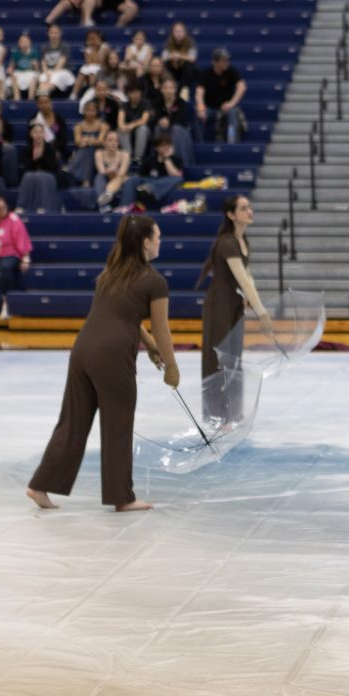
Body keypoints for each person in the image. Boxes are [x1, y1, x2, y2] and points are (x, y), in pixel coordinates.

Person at [27, 215, 178, 513]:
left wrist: (149, 346)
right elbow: (162, 329)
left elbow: (124, 315)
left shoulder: (110, 273)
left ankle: (40, 485)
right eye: (158, 236)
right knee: (117, 425)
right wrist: (171, 366)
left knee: (72, 423)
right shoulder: (154, 281)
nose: (160, 241)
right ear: (145, 243)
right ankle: (122, 497)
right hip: (113, 357)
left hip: (83, 350)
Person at [197, 195, 272, 424]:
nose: (249, 211)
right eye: (243, 208)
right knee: (218, 358)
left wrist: (252, 301)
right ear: (231, 215)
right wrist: (262, 312)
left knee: (234, 358)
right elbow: (243, 281)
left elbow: (248, 278)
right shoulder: (227, 243)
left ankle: (233, 413)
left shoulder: (242, 240)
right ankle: (216, 414)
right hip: (220, 304)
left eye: (249, 207)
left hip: (234, 303)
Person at [195, 48, 246, 144]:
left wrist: (231, 103)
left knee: (233, 112)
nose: (226, 63)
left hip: (225, 108)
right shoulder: (205, 74)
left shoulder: (231, 71)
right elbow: (199, 91)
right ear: (215, 62)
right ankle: (200, 143)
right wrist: (201, 108)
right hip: (210, 108)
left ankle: (232, 142)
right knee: (198, 115)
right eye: (223, 60)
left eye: (227, 60)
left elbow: (242, 87)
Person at [118, 134, 183, 210]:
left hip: (165, 181)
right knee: (133, 179)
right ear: (157, 148)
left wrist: (167, 158)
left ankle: (150, 188)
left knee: (178, 179)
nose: (166, 147)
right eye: (163, 145)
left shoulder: (176, 159)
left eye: (168, 145)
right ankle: (124, 207)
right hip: (150, 180)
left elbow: (174, 175)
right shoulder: (149, 160)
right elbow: (140, 175)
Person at [17, 123, 63, 214]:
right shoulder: (27, 149)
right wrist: (35, 161)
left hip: (49, 176)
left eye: (40, 132)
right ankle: (22, 206)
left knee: (40, 176)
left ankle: (43, 206)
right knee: (27, 176)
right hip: (32, 175)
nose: (38, 135)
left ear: (44, 134)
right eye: (35, 132)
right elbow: (26, 167)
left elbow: (51, 166)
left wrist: (38, 159)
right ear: (31, 134)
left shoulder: (50, 149)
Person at [68, 101, 109, 186]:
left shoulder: (103, 125)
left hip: (99, 152)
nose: (90, 113)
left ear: (97, 111)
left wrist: (87, 140)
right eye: (88, 110)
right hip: (83, 151)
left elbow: (100, 141)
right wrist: (91, 140)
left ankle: (81, 177)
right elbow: (78, 141)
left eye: (93, 110)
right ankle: (85, 179)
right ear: (84, 111)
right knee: (86, 150)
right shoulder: (78, 126)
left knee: (89, 149)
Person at [94, 129, 129, 211]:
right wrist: (110, 171)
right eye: (110, 140)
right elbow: (101, 171)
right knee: (99, 176)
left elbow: (122, 172)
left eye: (116, 141)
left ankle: (107, 196)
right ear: (104, 143)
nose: (113, 143)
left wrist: (112, 171)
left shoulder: (124, 154)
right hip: (104, 178)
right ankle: (104, 202)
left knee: (120, 178)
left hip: (118, 179)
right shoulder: (99, 153)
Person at [37, 24, 76, 98]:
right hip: (48, 71)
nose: (54, 35)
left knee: (54, 78)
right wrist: (47, 73)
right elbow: (43, 63)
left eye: (56, 33)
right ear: (48, 34)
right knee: (42, 77)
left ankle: (41, 94)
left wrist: (51, 74)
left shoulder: (65, 47)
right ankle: (42, 96)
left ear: (60, 34)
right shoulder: (44, 47)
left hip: (63, 71)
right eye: (51, 32)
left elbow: (61, 63)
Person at [117, 80, 151, 161]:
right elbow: (120, 122)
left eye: (137, 92)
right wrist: (123, 127)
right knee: (120, 130)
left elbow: (144, 120)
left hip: (142, 131)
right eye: (132, 92)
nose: (135, 95)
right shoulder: (124, 105)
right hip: (128, 131)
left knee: (142, 128)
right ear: (128, 94)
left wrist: (132, 125)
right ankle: (127, 156)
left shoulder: (146, 103)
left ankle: (137, 157)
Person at [161, 22, 197, 95]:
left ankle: (182, 90)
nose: (178, 34)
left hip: (184, 70)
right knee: (166, 64)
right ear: (172, 33)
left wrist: (180, 56)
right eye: (176, 31)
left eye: (180, 31)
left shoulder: (190, 42)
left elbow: (193, 58)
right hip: (173, 69)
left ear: (184, 32)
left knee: (189, 65)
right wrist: (172, 56)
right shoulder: (168, 42)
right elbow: (163, 58)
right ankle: (170, 87)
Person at [7, 32, 40, 101]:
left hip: (30, 72)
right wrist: (10, 70)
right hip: (19, 72)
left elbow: (37, 69)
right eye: (22, 42)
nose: (24, 44)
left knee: (33, 77)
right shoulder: (15, 53)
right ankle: (16, 97)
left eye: (26, 42)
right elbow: (12, 66)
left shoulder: (34, 52)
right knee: (13, 77)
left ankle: (30, 98)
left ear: (30, 43)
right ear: (18, 43)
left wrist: (35, 65)